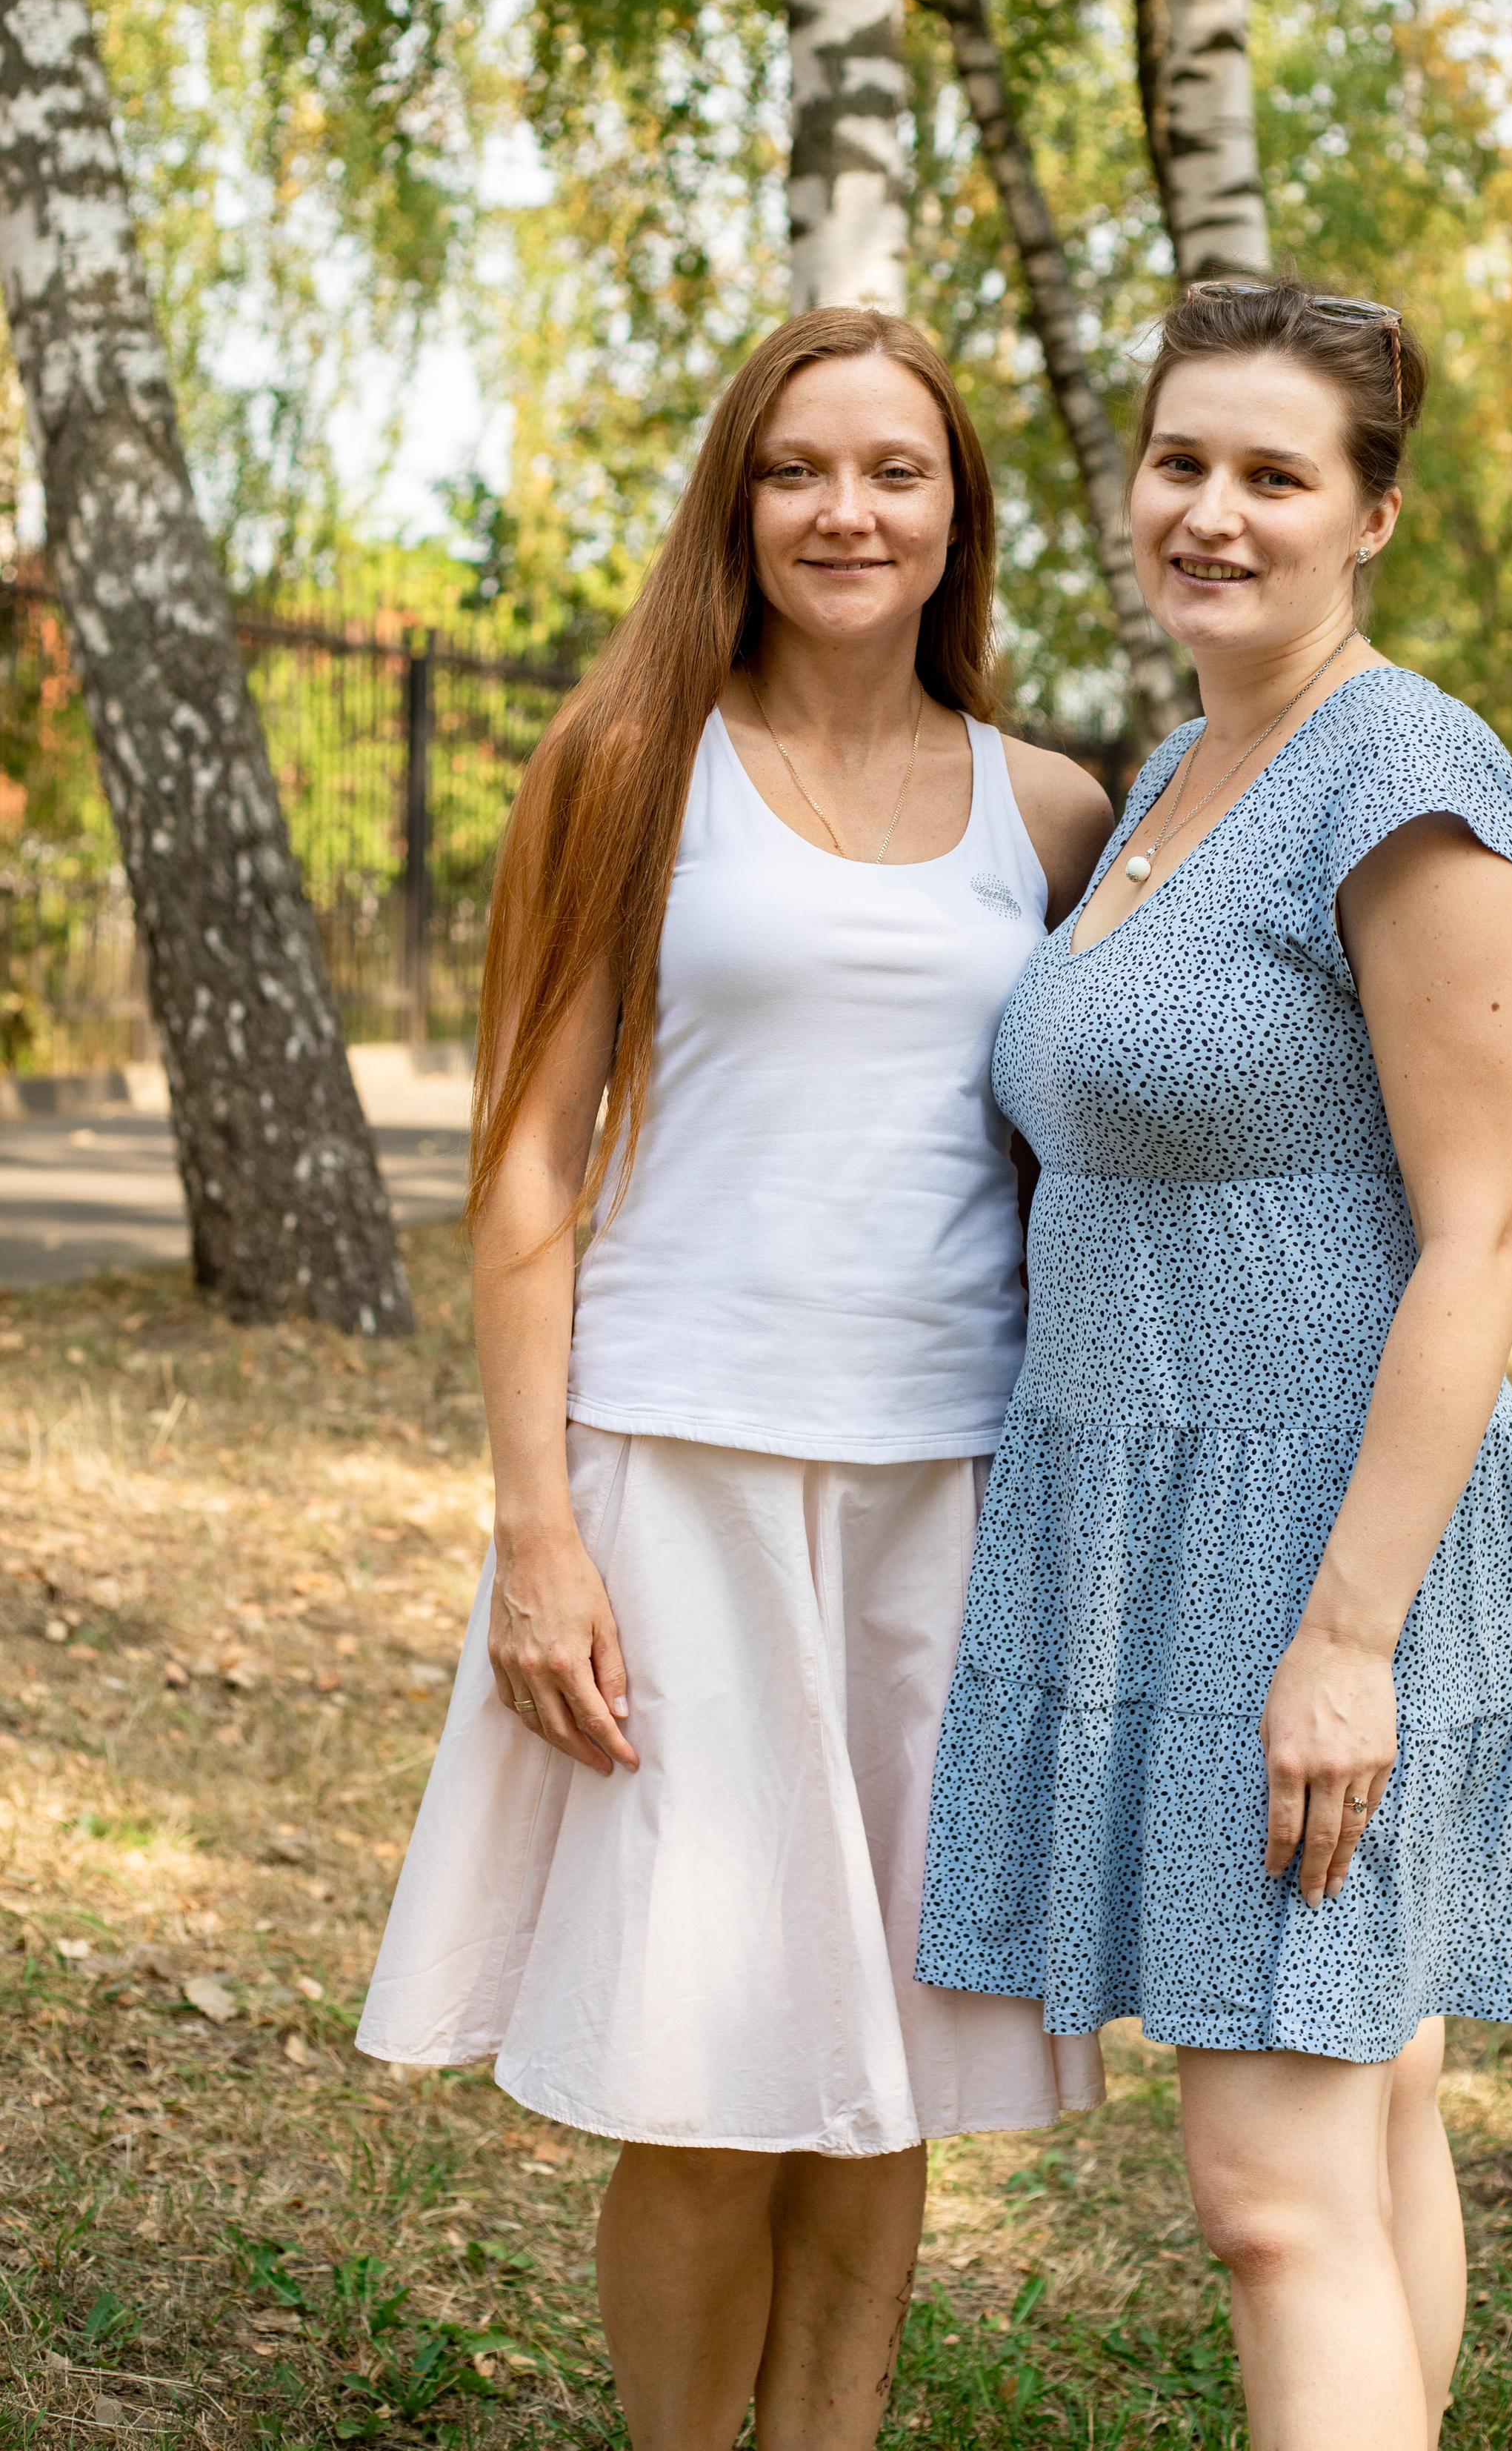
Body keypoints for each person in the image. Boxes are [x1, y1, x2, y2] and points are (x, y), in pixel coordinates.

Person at [356, 307, 1113, 2450]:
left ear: (956, 510)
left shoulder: (1049, 810)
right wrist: (535, 1532)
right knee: (705, 2078)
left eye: (895, 470)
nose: (845, 511)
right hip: (678, 1481)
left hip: (952, 1495)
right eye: (799, 470)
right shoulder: (625, 762)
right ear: (738, 499)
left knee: (888, 2073)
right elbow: (526, 1164)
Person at [917, 277, 1512, 2451]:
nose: (1212, 511)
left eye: (1274, 474)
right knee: (1366, 2131)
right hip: (1156, 1509)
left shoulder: (1407, 775)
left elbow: (1485, 1232)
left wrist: (1350, 1636)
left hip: (1320, 1531)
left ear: (1372, 512)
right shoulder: (1191, 760)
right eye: (1181, 461)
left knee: (1272, 2195)